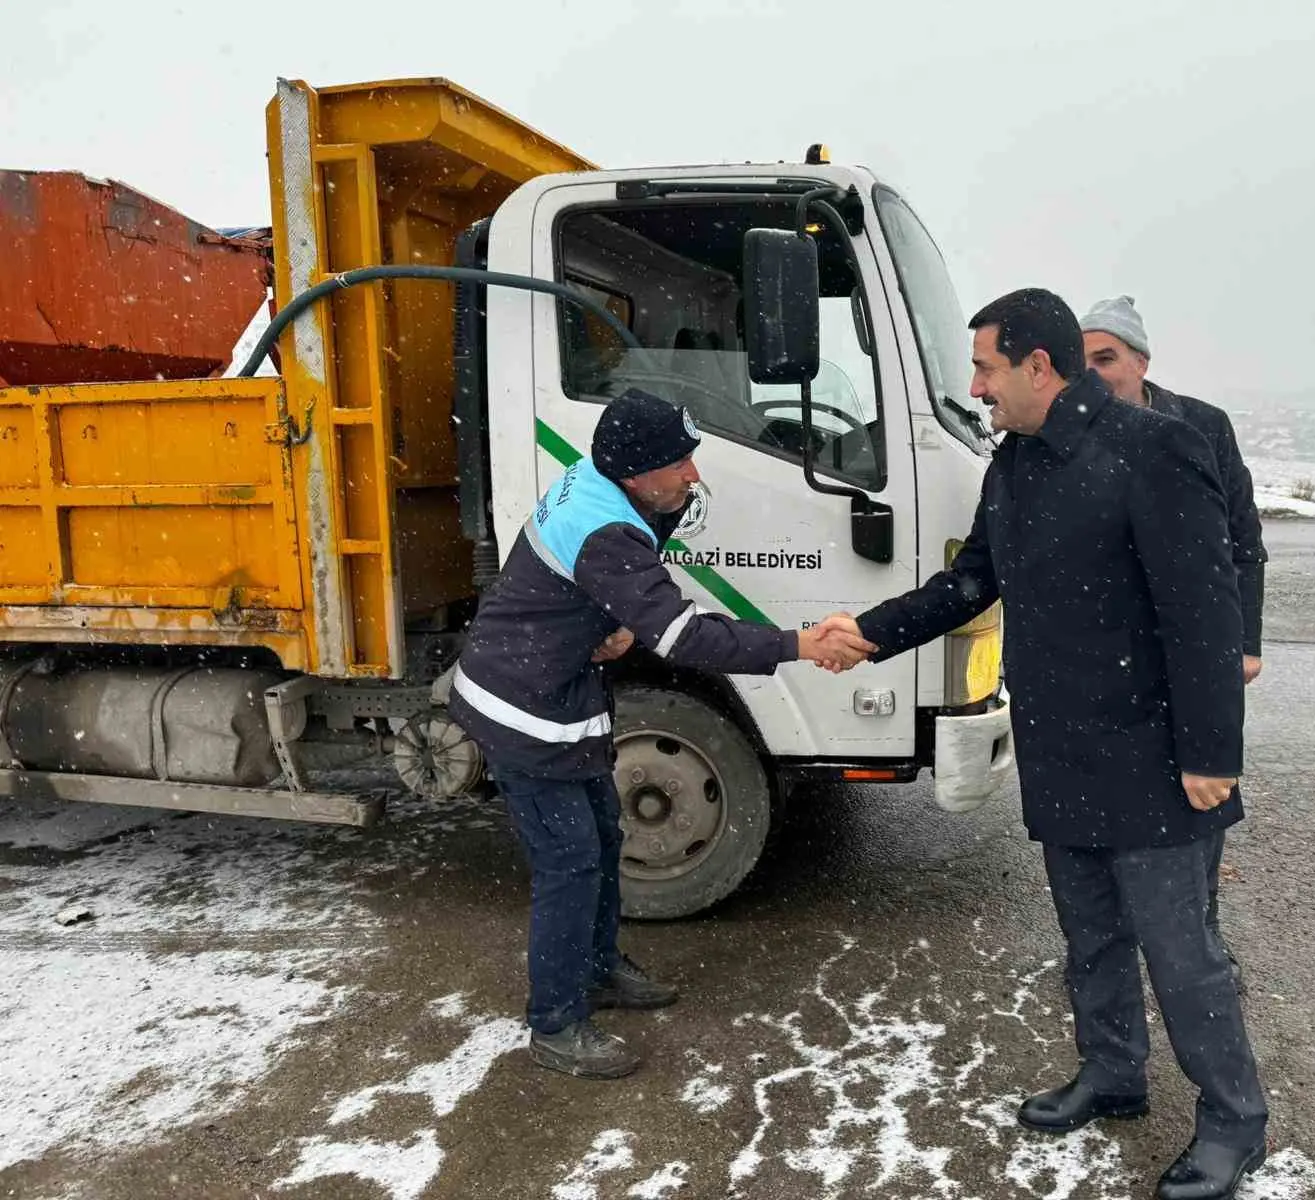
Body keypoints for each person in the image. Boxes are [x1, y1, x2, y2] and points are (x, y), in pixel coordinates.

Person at [819, 290, 1269, 1199]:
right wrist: (869, 631)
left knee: (1182, 956)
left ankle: (1234, 1120)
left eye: (985, 367)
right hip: (1061, 746)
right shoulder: (1016, 461)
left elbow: (1205, 610)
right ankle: (1114, 1073)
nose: (976, 386)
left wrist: (1212, 753)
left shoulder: (1156, 447)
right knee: (1091, 937)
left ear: (1038, 366)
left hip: (1152, 754)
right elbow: (972, 581)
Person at [448, 388, 874, 1080]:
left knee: (603, 838)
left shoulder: (603, 484)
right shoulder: (606, 530)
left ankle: (598, 968)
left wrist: (611, 622)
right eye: (679, 464)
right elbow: (683, 636)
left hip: (558, 689)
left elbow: (596, 582)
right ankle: (556, 1022)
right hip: (522, 708)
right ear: (637, 472)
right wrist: (800, 644)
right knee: (569, 863)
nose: (693, 475)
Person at [1080, 295, 1268, 988]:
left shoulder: (1202, 426)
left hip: (1198, 639)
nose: (1093, 374)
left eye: (1106, 358)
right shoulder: (1072, 432)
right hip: (1114, 646)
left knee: (1202, 795)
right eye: (1081, 361)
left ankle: (1201, 941)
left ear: (1140, 361)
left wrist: (1244, 641)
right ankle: (1112, 946)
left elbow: (1244, 541)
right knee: (1112, 801)